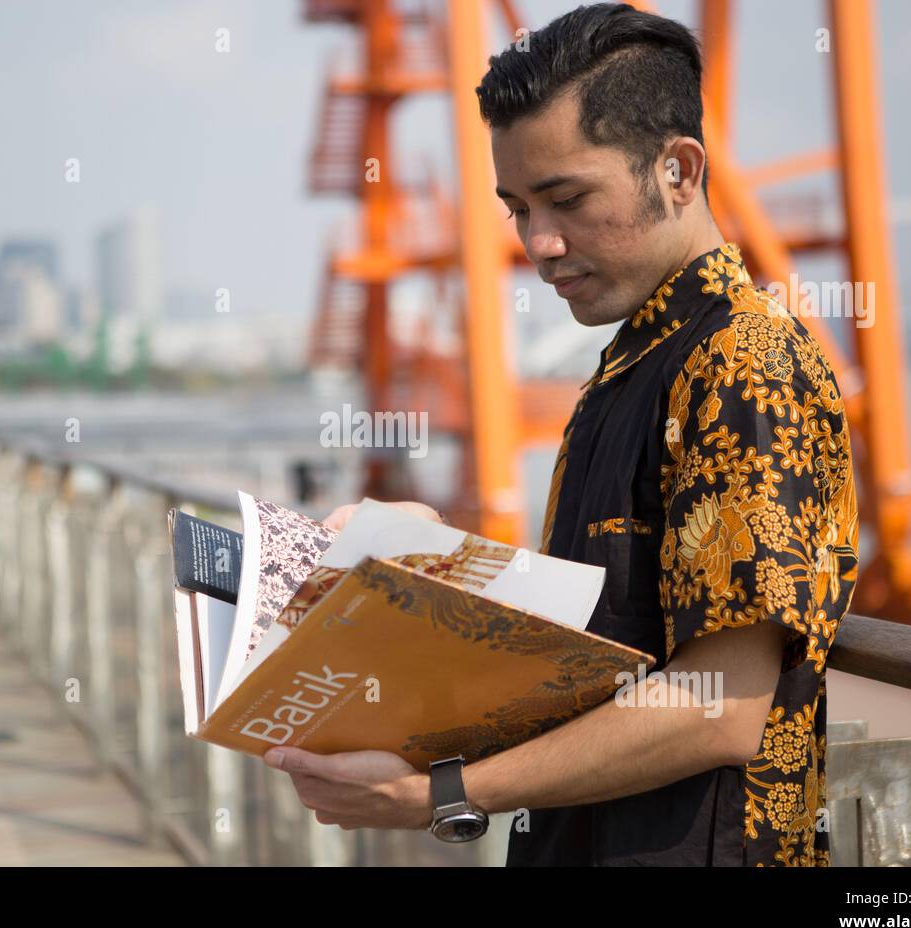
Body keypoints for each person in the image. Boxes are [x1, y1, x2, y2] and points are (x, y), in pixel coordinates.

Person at [261, 2, 858, 867]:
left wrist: (443, 795)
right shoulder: (633, 365)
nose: (539, 243)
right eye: (517, 208)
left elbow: (720, 706)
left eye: (567, 199)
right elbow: (611, 630)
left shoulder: (744, 363)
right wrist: (439, 560)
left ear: (680, 170)